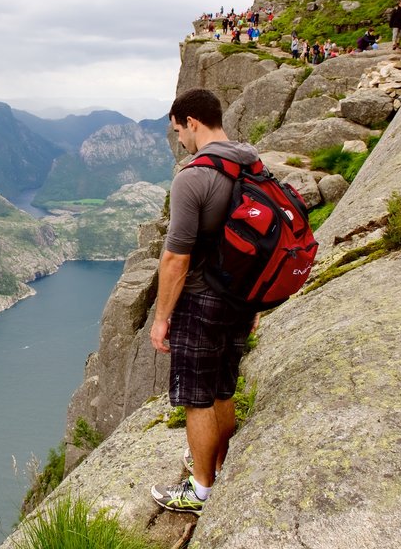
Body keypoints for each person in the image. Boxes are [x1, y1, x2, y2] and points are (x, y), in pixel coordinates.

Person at [149, 89, 259, 515]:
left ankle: (199, 489)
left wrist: (161, 319)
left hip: (201, 300)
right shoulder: (250, 160)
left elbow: (176, 257)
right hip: (240, 297)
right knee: (222, 388)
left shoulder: (193, 176)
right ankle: (217, 463)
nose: (179, 140)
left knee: (197, 397)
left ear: (192, 121)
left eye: (178, 130)